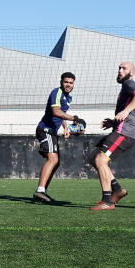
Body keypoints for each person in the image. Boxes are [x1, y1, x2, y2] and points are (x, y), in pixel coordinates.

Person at [88, 61, 135, 211]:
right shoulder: (124, 88)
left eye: (124, 68)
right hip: (119, 130)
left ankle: (107, 201)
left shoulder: (129, 84)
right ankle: (117, 190)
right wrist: (113, 122)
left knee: (100, 160)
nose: (120, 70)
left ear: (131, 72)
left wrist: (126, 111)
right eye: (119, 68)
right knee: (93, 157)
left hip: (124, 133)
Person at [33, 72, 85, 203]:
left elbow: (62, 114)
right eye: (66, 82)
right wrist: (75, 118)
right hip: (45, 130)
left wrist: (66, 128)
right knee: (53, 159)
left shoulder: (68, 98)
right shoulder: (57, 92)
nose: (68, 85)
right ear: (61, 82)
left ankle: (42, 191)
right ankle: (40, 190)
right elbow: (56, 111)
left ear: (73, 84)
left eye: (71, 83)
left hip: (53, 132)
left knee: (56, 163)